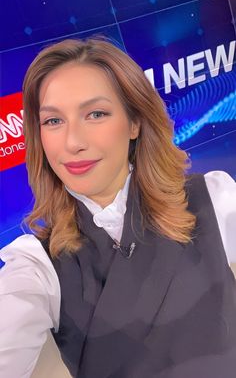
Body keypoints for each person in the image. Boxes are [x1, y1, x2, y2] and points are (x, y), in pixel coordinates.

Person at [0, 37, 236, 378]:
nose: (73, 142)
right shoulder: (36, 265)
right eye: (53, 121)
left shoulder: (213, 197)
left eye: (95, 114)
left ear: (135, 123)